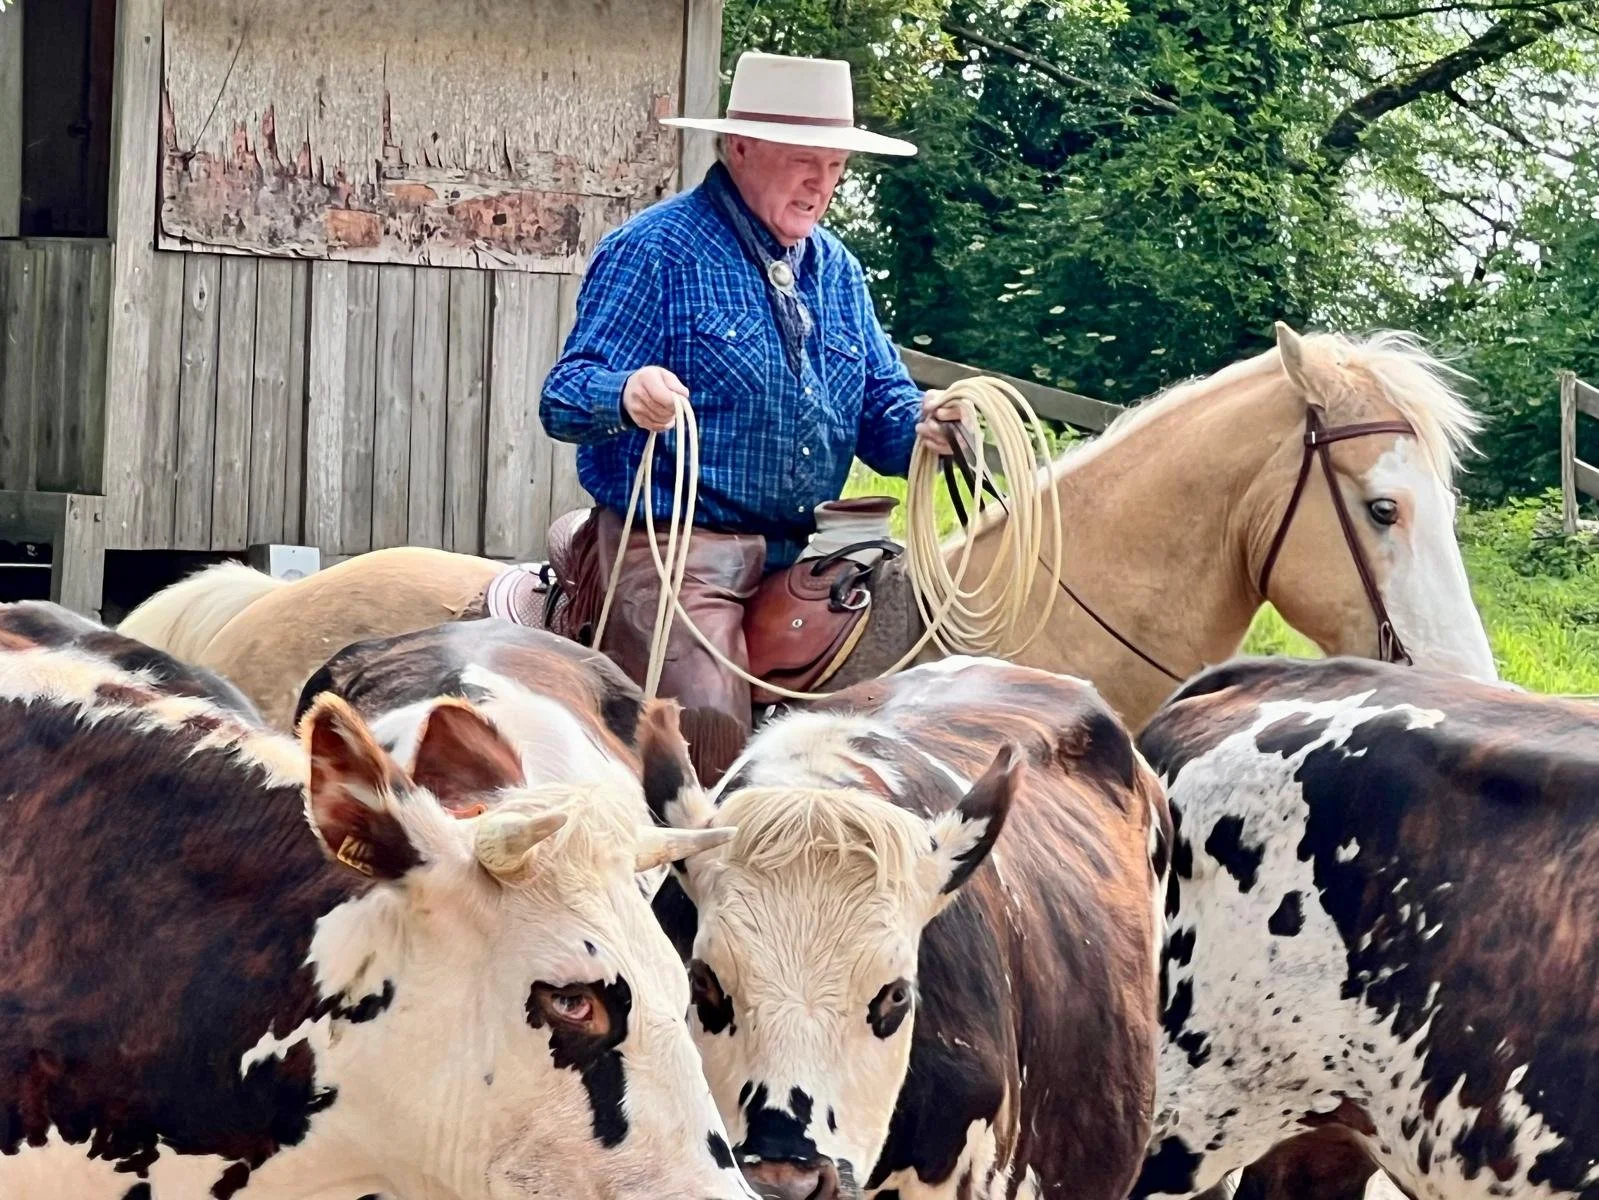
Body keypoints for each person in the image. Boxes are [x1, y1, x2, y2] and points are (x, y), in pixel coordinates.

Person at [539, 49, 968, 756]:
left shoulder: (838, 271)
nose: (821, 184)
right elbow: (564, 397)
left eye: (835, 166)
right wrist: (627, 393)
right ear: (740, 146)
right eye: (805, 161)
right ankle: (684, 826)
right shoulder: (655, 250)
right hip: (674, 548)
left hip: (811, 550)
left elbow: (883, 416)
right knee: (703, 731)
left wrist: (928, 424)